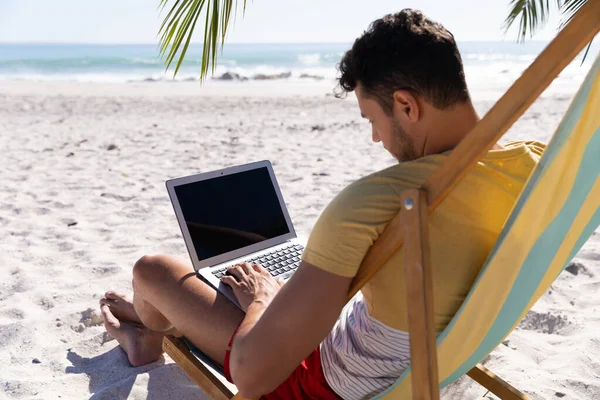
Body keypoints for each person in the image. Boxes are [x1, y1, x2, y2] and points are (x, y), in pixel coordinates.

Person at [100, 9, 544, 399]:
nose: (377, 139)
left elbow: (253, 377)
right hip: (440, 359)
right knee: (244, 286)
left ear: (406, 105)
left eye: (373, 120)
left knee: (153, 270)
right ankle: (147, 321)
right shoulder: (537, 167)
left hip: (316, 383)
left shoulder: (382, 200)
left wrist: (263, 302)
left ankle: (147, 332)